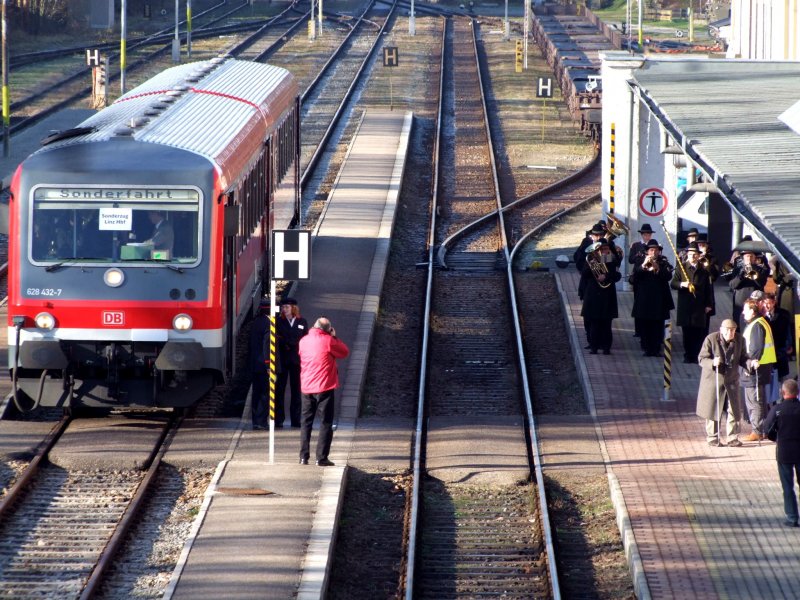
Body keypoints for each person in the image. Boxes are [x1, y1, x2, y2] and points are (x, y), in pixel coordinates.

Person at [298, 317, 349, 467]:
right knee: (326, 422)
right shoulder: (328, 340)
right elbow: (344, 352)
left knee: (306, 422)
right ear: (328, 329)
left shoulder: (303, 340)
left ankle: (303, 457)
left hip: (306, 386)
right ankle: (321, 458)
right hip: (324, 386)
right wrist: (334, 336)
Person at [696, 319, 749, 447]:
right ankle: (713, 437)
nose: (731, 333)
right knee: (713, 408)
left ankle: (732, 437)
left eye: (733, 330)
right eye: (728, 330)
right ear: (721, 330)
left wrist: (750, 363)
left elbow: (743, 358)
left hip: (731, 380)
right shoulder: (711, 339)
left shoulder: (740, 340)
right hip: (713, 380)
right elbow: (702, 358)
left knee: (733, 409)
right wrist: (713, 362)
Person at [762, 379, 800, 527]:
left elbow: (767, 429)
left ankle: (792, 517)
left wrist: (776, 439)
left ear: (783, 392)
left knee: (787, 486)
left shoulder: (778, 410)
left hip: (784, 451)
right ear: (797, 393)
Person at [671, 242, 715, 364]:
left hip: (699, 306)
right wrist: (682, 284)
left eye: (695, 254)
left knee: (698, 333)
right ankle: (688, 355)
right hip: (685, 305)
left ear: (698, 255)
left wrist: (708, 305)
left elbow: (708, 290)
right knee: (687, 332)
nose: (693, 256)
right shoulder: (681, 267)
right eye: (690, 254)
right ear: (687, 255)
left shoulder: (704, 271)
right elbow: (673, 283)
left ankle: (697, 355)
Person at [740, 299, 776, 442]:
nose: (743, 312)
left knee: (754, 400)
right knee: (759, 399)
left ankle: (758, 431)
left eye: (745, 310)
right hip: (762, 367)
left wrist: (749, 365)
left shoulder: (756, 325)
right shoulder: (760, 323)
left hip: (756, 368)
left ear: (752, 311)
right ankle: (762, 429)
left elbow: (756, 349)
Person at [631, 239, 674, 357]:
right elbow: (633, 279)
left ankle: (656, 349)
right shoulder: (640, 261)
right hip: (644, 300)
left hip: (659, 300)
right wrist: (643, 266)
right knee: (645, 325)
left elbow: (668, 276)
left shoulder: (663, 262)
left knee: (657, 326)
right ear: (647, 252)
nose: (654, 252)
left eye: (656, 250)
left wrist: (657, 267)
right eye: (651, 250)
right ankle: (646, 348)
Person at [580, 238, 621, 355]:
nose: (603, 251)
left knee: (607, 324)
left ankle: (606, 347)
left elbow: (617, 275)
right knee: (594, 323)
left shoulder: (611, 259)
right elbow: (584, 274)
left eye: (605, 249)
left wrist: (606, 276)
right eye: (601, 249)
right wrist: (592, 265)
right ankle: (594, 347)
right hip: (593, 295)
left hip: (608, 295)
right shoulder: (591, 260)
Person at [275, 297, 308, 428]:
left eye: (287, 307)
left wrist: (290, 342)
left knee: (296, 391)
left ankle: (296, 420)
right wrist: (287, 342)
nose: (284, 309)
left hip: (296, 360)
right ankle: (279, 419)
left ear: (293, 308)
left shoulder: (302, 321)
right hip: (282, 360)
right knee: (279, 390)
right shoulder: (278, 321)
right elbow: (276, 338)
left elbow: (305, 338)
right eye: (283, 307)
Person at [763, 292, 793, 403]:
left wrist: (789, 346)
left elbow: (788, 332)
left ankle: (783, 401)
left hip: (780, 352)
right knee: (770, 381)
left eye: (769, 303)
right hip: (768, 355)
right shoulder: (762, 316)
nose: (767, 306)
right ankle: (772, 403)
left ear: (774, 302)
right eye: (765, 303)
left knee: (782, 378)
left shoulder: (783, 315)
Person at [728, 248, 768, 326]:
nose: (749, 259)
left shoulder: (760, 270)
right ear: (743, 258)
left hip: (755, 302)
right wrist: (741, 275)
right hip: (740, 303)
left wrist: (753, 272)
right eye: (747, 256)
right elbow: (732, 285)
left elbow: (761, 284)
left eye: (751, 256)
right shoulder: (737, 270)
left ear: (754, 258)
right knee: (739, 324)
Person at [248, 299, 271, 430]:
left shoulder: (256, 322)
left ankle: (255, 421)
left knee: (256, 393)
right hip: (263, 365)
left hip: (254, 364)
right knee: (264, 393)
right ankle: (262, 421)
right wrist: (268, 365)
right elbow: (266, 345)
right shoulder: (268, 324)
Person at [628, 223, 654, 338]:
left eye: (648, 234)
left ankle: (647, 328)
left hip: (650, 277)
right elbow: (630, 260)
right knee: (638, 303)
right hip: (638, 277)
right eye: (645, 234)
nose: (647, 236)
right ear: (642, 235)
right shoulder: (636, 245)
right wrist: (637, 256)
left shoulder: (654, 246)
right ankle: (638, 330)